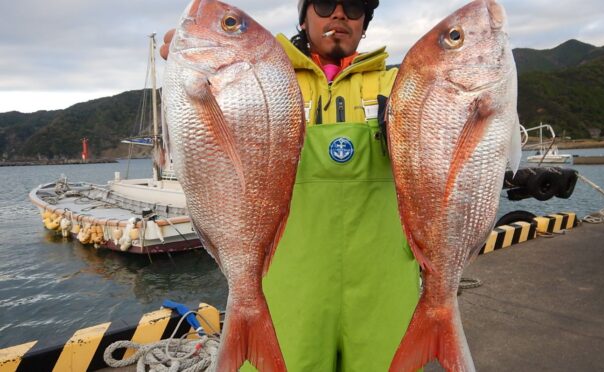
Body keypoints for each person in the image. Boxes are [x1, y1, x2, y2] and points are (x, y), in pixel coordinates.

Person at [162, 1, 420, 370]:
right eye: (326, 3)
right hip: (283, 286)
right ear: (303, 16)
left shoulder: (398, 85)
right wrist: (184, 65)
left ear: (365, 21)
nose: (339, 14)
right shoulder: (265, 77)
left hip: (385, 286)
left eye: (355, 6)